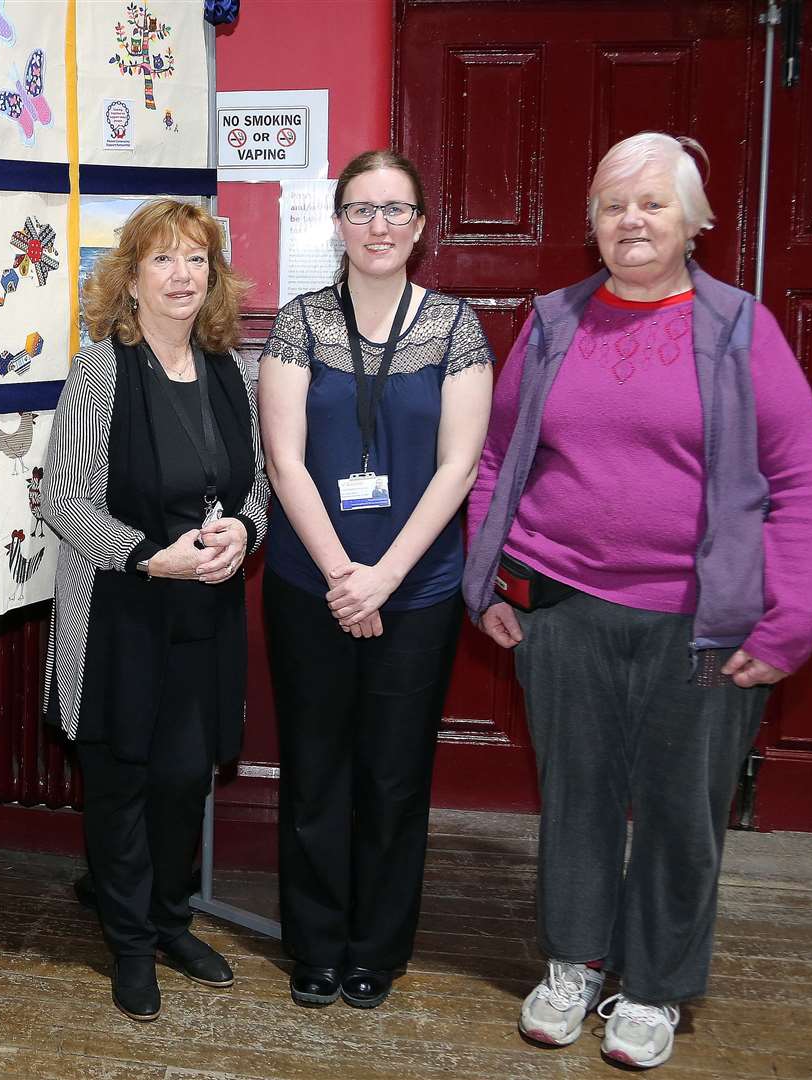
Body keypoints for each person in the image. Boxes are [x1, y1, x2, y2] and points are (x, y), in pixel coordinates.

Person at [462, 132, 812, 1070]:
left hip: (702, 623)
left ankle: (656, 985)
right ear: (591, 224)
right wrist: (488, 581)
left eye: (653, 203)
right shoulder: (552, 324)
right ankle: (576, 960)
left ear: (694, 221)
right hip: (562, 607)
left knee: (681, 809)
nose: (632, 220)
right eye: (612, 206)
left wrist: (788, 621)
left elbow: (798, 482)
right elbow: (498, 461)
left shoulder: (741, 327)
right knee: (576, 797)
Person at [258, 149, 494, 1010]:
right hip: (307, 583)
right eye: (362, 209)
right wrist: (340, 577)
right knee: (315, 769)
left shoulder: (456, 327)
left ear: (422, 225)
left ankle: (376, 947)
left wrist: (384, 579)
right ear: (339, 223)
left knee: (395, 776)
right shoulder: (300, 323)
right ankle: (314, 945)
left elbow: (460, 466)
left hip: (418, 589)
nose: (380, 226)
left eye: (396, 210)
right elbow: (283, 461)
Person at [42, 198, 268, 1023]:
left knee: (183, 779)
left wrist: (244, 531)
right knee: (122, 785)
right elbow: (62, 499)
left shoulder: (231, 373)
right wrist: (147, 554)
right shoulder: (102, 368)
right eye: (164, 259)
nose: (182, 275)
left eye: (197, 259)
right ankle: (130, 944)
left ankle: (173, 922)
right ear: (130, 279)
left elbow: (259, 489)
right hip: (121, 613)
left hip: (203, 615)